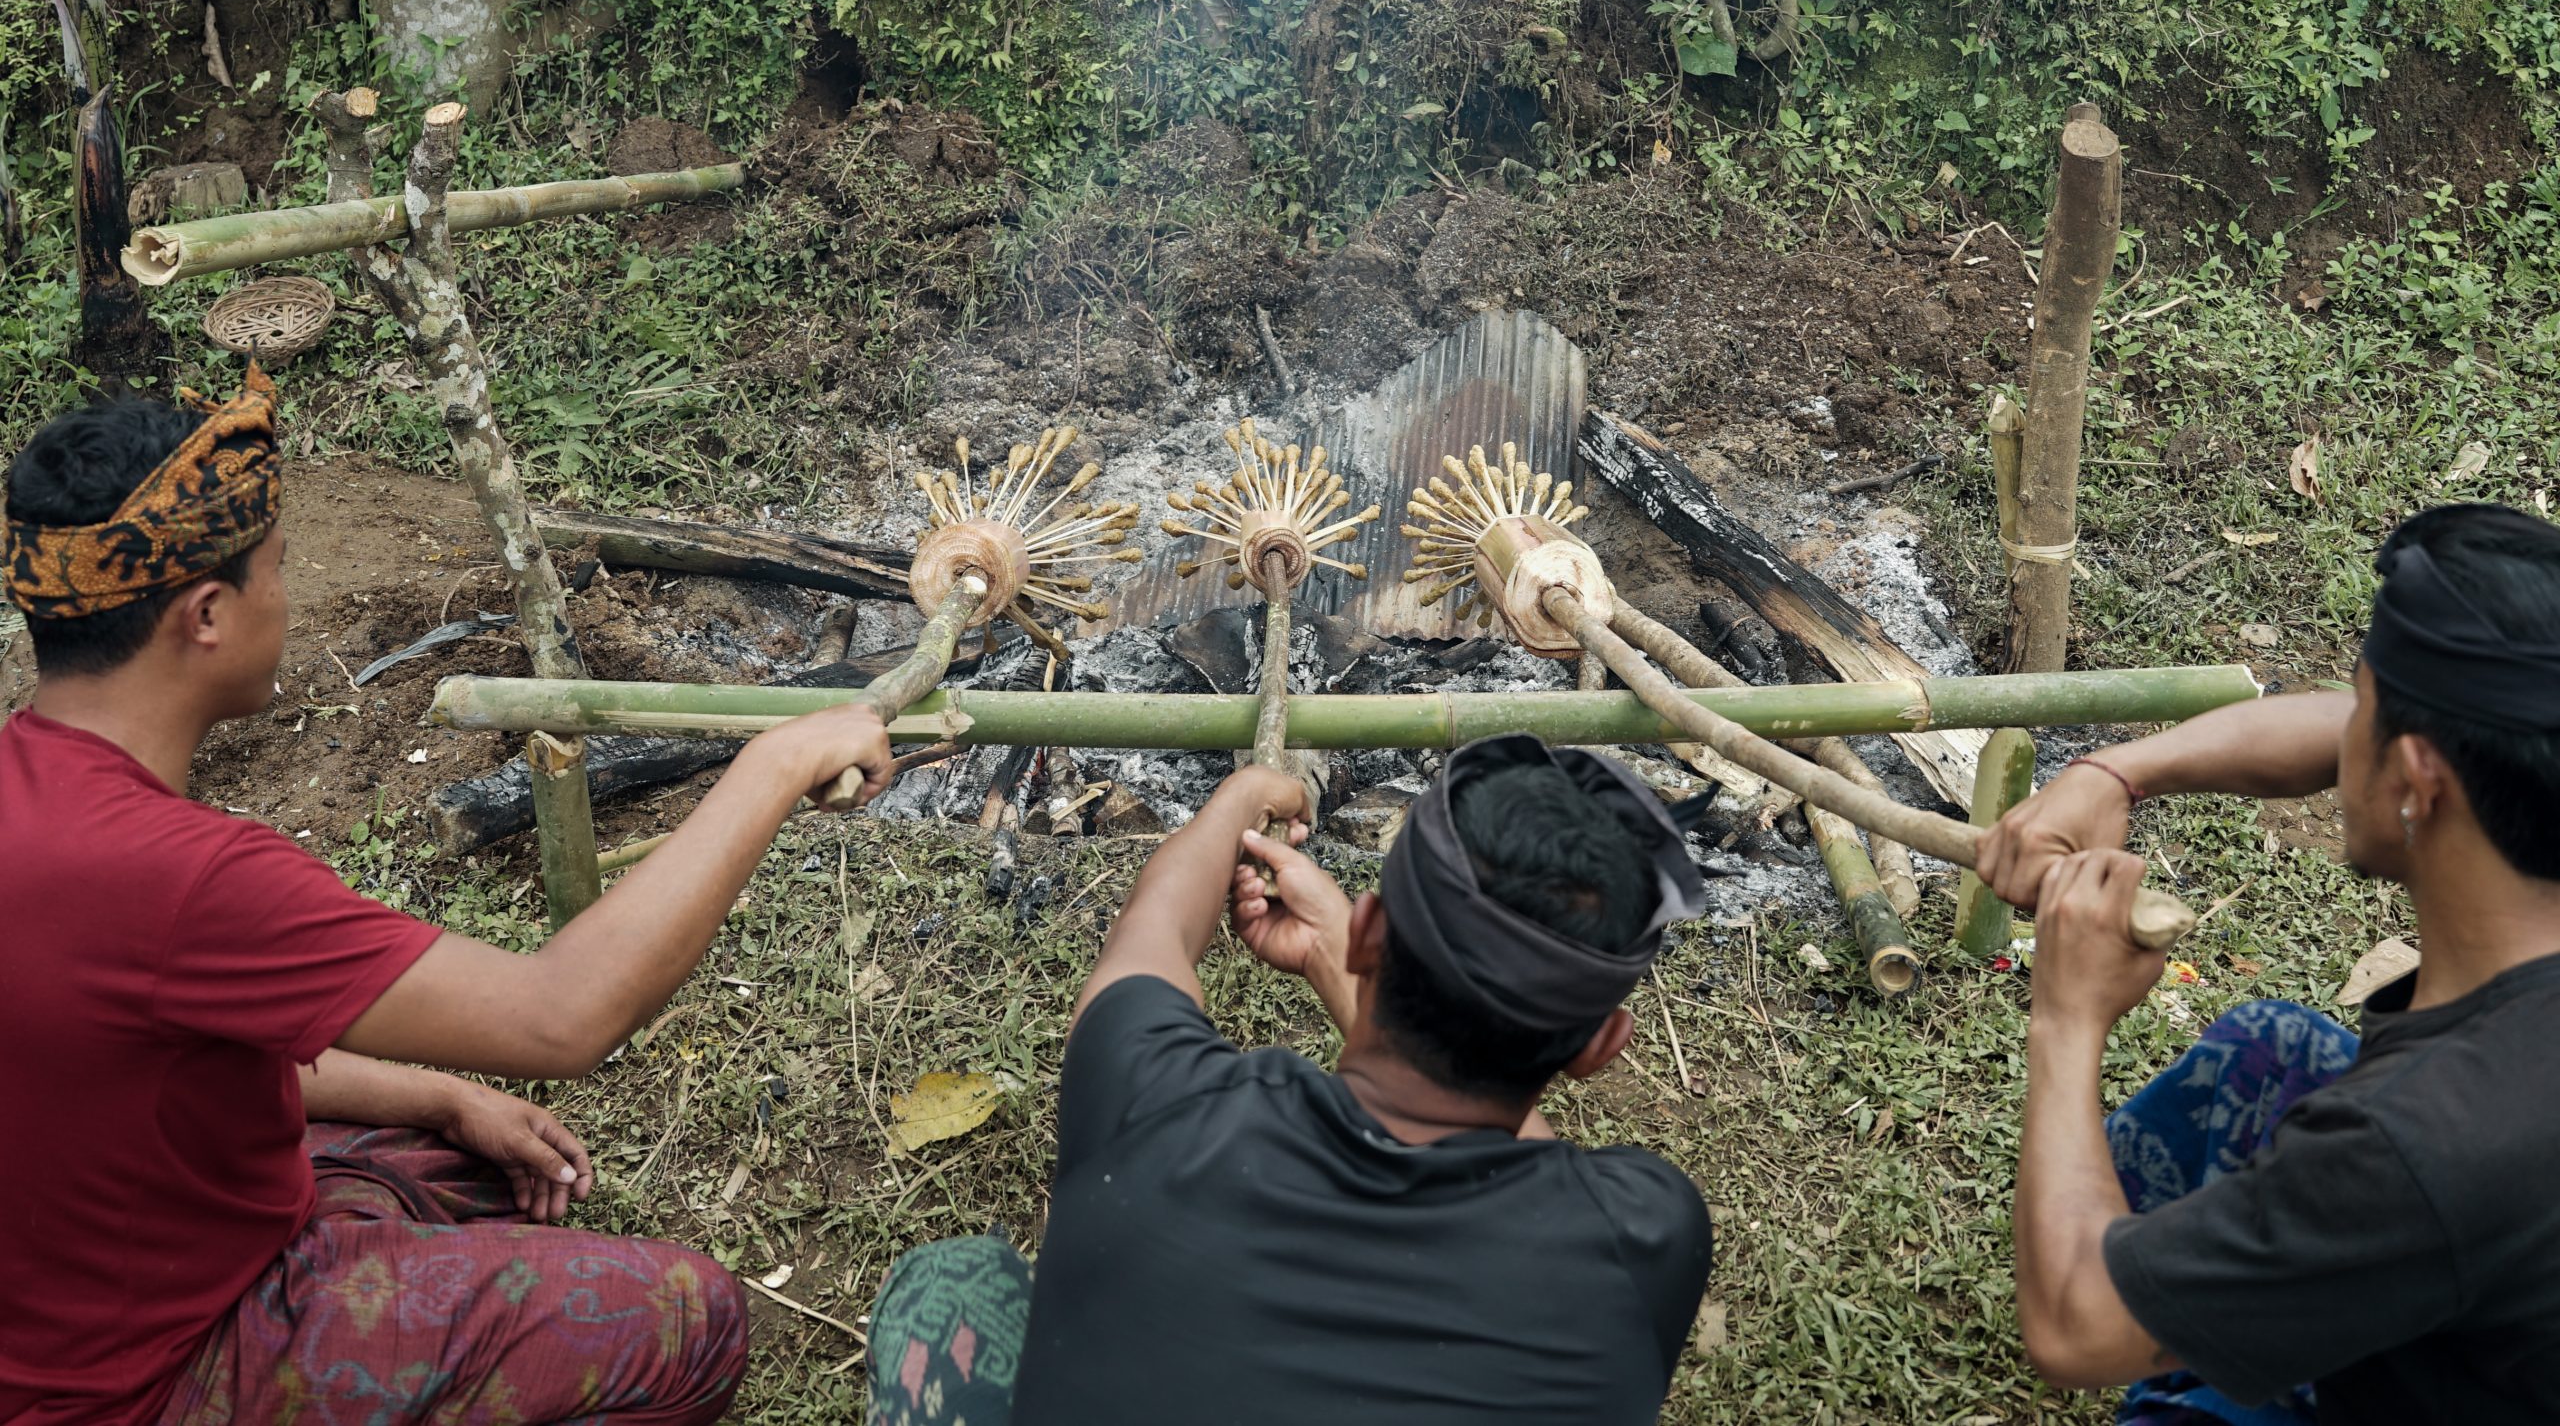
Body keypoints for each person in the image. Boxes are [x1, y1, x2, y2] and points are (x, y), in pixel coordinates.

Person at [0, 372, 898, 1426]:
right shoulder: (177, 873)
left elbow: (164, 1051)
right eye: (278, 569)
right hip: (143, 1380)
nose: (289, 592)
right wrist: (775, 760)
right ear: (206, 615)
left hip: (63, 1296)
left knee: (454, 1164)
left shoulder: (42, 802)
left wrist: (442, 1095)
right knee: (685, 1319)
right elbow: (564, 1015)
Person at [866, 734, 1715, 1426]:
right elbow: (1509, 1145)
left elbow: (1150, 939)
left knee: (955, 1282)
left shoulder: (1154, 1105)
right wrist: (1340, 956)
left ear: (1371, 925)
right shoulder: (1646, 1242)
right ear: (1598, 1046)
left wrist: (1241, 799)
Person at [1980, 503, 2560, 1425]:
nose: (2342, 728)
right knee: (2268, 1050)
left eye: (2366, 707)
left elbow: (2072, 1330)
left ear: (2417, 782)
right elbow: (2334, 728)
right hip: (2494, 1279)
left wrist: (2068, 1017)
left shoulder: (2420, 1143)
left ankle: (2172, 1313)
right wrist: (2114, 773)